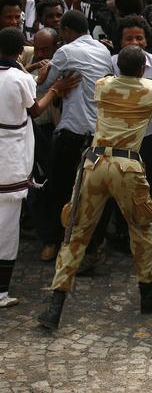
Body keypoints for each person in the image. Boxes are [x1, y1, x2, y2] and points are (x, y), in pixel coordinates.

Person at [36, 45, 152, 329]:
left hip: (94, 165)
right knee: (140, 229)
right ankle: (148, 291)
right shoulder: (150, 90)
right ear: (141, 70)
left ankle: (55, 306)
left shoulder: (103, 85)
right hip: (127, 168)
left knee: (76, 233)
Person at [0, 28, 79, 308]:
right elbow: (35, 109)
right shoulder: (20, 78)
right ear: (20, 51)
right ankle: (1, 292)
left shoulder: (21, 75)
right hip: (9, 161)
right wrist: (55, 88)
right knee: (7, 229)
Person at [38, 10, 114, 263]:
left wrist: (47, 79)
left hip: (72, 132)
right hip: (99, 134)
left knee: (59, 190)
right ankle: (91, 246)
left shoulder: (66, 52)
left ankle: (58, 241)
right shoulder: (103, 51)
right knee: (94, 194)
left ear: (67, 31)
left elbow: (43, 85)